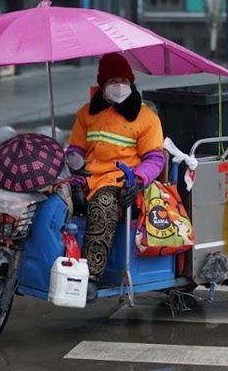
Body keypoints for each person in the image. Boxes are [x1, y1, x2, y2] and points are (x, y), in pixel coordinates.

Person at [66, 52, 165, 301]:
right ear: (102, 85)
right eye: (112, 81)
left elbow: (156, 159)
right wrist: (75, 173)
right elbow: (75, 150)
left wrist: (139, 180)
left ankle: (90, 276)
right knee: (52, 203)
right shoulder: (86, 113)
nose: (119, 86)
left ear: (132, 82)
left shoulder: (147, 119)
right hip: (86, 178)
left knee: (103, 206)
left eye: (123, 80)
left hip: (120, 182)